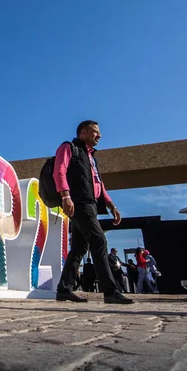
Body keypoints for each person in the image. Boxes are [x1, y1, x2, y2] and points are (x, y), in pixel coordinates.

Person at [53, 121, 133, 304]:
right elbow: (60, 171)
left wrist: (111, 205)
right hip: (78, 203)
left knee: (80, 248)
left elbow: (99, 184)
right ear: (83, 132)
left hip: (91, 205)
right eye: (95, 132)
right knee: (98, 240)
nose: (100, 135)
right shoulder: (68, 148)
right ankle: (110, 291)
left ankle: (64, 289)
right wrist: (65, 196)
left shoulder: (91, 157)